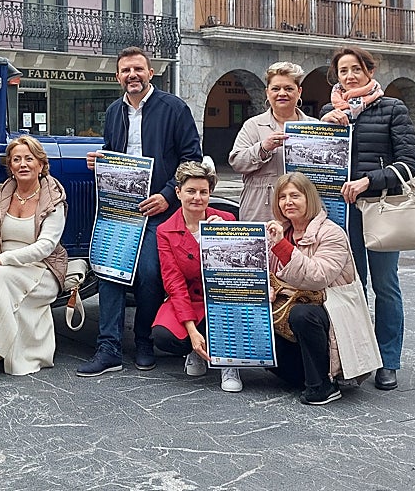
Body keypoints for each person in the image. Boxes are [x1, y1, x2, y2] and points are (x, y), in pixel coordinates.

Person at [77, 46, 203, 377]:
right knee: (107, 271)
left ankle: (144, 340)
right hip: (119, 209)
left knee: (149, 273)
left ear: (150, 73)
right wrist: (100, 161)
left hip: (157, 209)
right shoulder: (114, 111)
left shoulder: (174, 108)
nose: (132, 75)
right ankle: (109, 348)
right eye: (125, 71)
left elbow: (192, 159)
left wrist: (167, 196)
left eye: (138, 69)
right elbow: (117, 156)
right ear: (118, 77)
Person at [319, 45, 415, 392]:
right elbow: (317, 165)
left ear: (369, 72)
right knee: (350, 287)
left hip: (379, 210)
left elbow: (411, 162)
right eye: (343, 71)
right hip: (340, 213)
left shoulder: (392, 108)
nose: (349, 76)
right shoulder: (329, 112)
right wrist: (323, 128)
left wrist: (369, 181)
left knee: (385, 287)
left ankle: (389, 361)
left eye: (355, 69)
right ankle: (357, 357)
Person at [0, 136, 67, 385]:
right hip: (0, 268)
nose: (22, 164)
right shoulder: (2, 193)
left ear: (41, 164)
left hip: (42, 269)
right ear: (10, 166)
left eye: (29, 159)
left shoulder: (53, 198)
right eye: (16, 159)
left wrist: (2, 260)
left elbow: (45, 247)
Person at [267, 172, 378, 405]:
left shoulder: (332, 233)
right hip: (287, 312)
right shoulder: (279, 232)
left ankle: (324, 385)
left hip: (328, 313)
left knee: (302, 314)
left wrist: (283, 247)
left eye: (295, 196)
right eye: (283, 196)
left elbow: (317, 277)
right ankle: (304, 375)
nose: (288, 202)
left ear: (309, 198)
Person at [150, 161, 241, 392]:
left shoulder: (227, 220)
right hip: (190, 298)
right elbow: (174, 283)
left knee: (227, 314)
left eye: (204, 192)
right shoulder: (165, 230)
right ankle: (195, 349)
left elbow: (239, 272)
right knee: (163, 335)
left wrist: (225, 236)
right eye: (191, 191)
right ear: (178, 192)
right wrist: (192, 332)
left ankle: (229, 362)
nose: (197, 198)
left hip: (224, 297)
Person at [229, 61, 313, 222]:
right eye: (276, 89)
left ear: (299, 91)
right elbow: (237, 162)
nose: (282, 93)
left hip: (302, 212)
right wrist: (263, 148)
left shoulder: (314, 126)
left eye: (289, 88)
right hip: (261, 209)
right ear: (267, 92)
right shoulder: (253, 125)